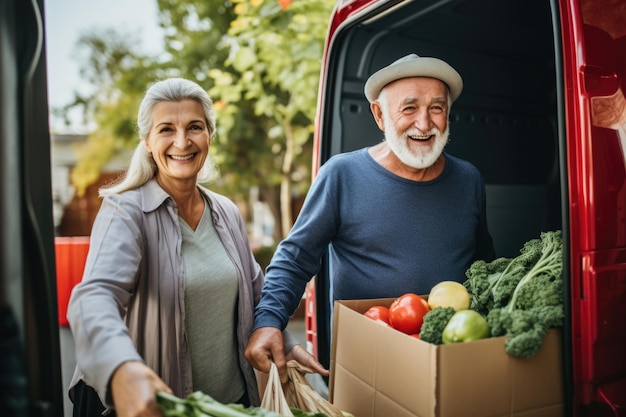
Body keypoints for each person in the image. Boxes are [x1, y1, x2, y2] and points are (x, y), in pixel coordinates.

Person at [66, 78, 325, 417]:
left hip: (227, 406)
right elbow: (95, 296)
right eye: (166, 129)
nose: (182, 141)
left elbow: (256, 294)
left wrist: (284, 342)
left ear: (209, 136)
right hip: (156, 407)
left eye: (194, 127)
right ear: (147, 141)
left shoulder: (226, 212)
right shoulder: (126, 212)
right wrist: (121, 368)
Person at [245, 54, 497, 381]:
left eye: (437, 108)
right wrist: (268, 322)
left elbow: (485, 264)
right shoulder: (341, 174)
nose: (424, 123)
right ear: (379, 115)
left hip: (451, 358)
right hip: (366, 365)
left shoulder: (468, 180)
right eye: (409, 109)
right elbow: (296, 257)